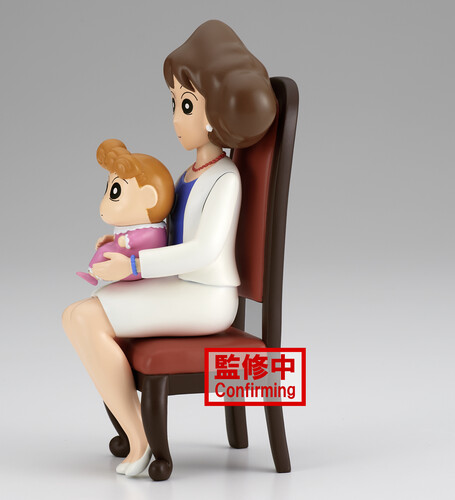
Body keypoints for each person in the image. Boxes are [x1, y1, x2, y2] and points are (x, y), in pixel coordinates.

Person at [62, 20, 277, 477]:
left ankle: (139, 442)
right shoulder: (189, 175)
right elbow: (168, 231)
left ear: (217, 115)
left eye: (186, 105)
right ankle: (134, 431)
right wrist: (121, 242)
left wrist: (135, 264)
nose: (176, 118)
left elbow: (201, 251)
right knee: (80, 314)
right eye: (175, 104)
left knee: (84, 318)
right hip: (183, 288)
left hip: (207, 299)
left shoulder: (225, 179)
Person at [76, 139, 174, 286]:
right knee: (104, 250)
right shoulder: (133, 226)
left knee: (107, 252)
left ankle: (98, 273)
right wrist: (112, 239)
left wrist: (127, 241)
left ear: (149, 198)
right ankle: (93, 274)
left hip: (136, 267)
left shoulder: (155, 231)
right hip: (123, 255)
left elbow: (150, 240)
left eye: (115, 192)